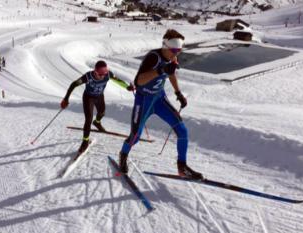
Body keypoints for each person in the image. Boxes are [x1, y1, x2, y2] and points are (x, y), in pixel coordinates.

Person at [118, 29, 203, 179]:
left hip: (159, 99)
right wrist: (160, 70)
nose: (176, 54)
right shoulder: (153, 57)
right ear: (165, 46)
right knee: (135, 136)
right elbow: (139, 81)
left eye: (179, 51)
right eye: (174, 50)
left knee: (182, 130)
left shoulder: (172, 57)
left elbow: (171, 74)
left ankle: (182, 167)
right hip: (143, 100)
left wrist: (178, 93)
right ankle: (123, 155)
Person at [60, 60, 134, 153]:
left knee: (102, 112)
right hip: (88, 98)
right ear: (95, 71)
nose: (102, 76)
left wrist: (127, 87)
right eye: (100, 74)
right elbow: (74, 84)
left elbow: (118, 80)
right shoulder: (88, 76)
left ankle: (97, 122)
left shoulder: (107, 74)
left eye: (104, 74)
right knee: (88, 119)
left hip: (99, 96)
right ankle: (85, 141)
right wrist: (66, 98)